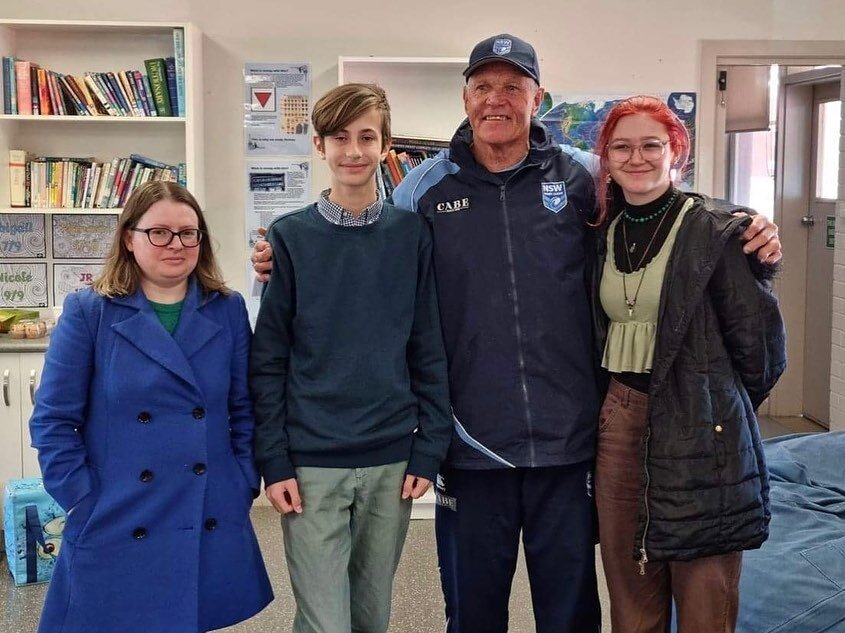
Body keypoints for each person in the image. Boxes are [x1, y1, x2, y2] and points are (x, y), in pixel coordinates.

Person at [250, 35, 783, 633]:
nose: (496, 100)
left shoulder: (582, 176)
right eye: (483, 87)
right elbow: (365, 241)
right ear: (466, 98)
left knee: (569, 611)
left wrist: (745, 224)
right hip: (472, 440)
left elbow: (655, 205)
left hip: (570, 438)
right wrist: (278, 255)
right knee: (474, 613)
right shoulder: (424, 187)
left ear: (539, 98)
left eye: (512, 87)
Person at [249, 83, 452, 633]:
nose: (353, 150)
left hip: (391, 457)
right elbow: (268, 360)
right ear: (320, 145)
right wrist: (274, 460)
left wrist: (429, 449)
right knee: (325, 620)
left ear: (385, 146)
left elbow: (427, 347)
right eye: (340, 137)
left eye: (367, 137)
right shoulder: (290, 238)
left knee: (371, 613)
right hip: (312, 462)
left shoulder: (411, 235)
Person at [30, 182, 273, 633]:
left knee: (187, 618)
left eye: (188, 233)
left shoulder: (227, 309)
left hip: (203, 506)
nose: (176, 244)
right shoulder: (91, 312)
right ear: (129, 237)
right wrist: (82, 497)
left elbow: (244, 410)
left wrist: (241, 482)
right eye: (159, 232)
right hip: (117, 509)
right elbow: (53, 421)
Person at [591, 95, 787, 632]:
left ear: (676, 151)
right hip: (619, 421)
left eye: (651, 145)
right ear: (605, 157)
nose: (637, 158)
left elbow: (762, 350)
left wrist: (713, 400)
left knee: (705, 598)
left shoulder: (720, 232)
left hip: (704, 424)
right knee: (631, 592)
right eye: (622, 147)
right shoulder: (598, 233)